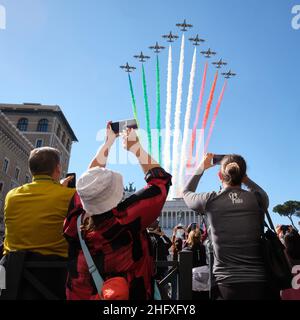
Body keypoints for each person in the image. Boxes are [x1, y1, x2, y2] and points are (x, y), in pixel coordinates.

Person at [63, 124, 172, 300]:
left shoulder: (73, 221)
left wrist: (107, 143)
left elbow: (89, 182)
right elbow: (160, 181)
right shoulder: (123, 219)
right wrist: (136, 148)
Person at [183, 153, 278, 300]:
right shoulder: (258, 198)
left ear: (220, 176)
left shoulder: (210, 199)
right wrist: (244, 177)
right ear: (243, 175)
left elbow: (186, 192)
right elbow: (262, 193)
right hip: (259, 281)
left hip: (225, 283)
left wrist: (202, 167)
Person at [2, 147, 75, 300]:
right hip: (53, 281)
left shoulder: (11, 195)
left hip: (11, 281)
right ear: (58, 168)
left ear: (31, 169)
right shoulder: (69, 196)